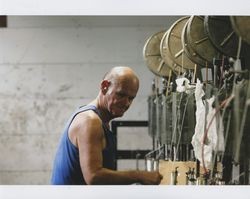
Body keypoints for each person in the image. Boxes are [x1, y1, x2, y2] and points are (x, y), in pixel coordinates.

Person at [51, 66, 163, 185]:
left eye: (131, 98)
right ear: (104, 87)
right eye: (121, 95)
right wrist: (138, 175)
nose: (126, 103)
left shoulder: (100, 121)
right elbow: (94, 176)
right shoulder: (90, 121)